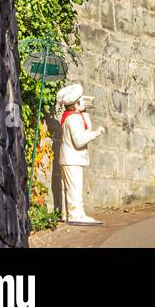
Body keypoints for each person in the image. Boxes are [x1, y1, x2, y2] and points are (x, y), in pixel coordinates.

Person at [56, 82, 105, 224]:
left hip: (68, 158)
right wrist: (95, 133)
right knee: (75, 188)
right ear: (75, 105)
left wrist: (84, 113)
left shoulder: (70, 117)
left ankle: (67, 214)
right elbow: (79, 140)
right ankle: (76, 215)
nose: (85, 101)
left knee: (68, 188)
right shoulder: (74, 119)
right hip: (73, 158)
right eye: (81, 100)